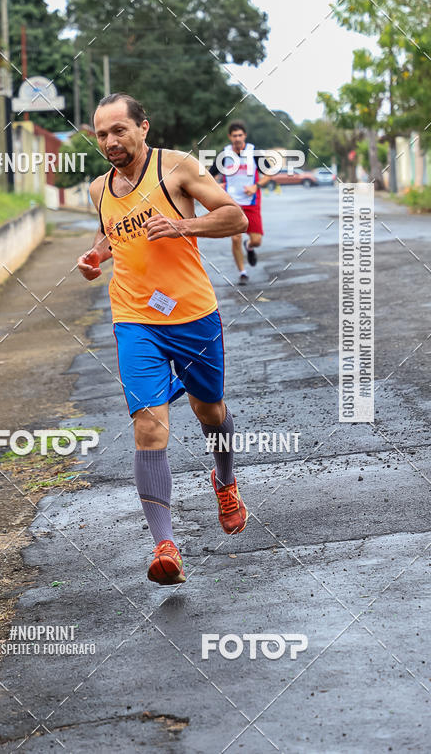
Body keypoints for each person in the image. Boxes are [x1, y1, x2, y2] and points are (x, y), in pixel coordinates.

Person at [77, 93, 249, 585]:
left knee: (209, 410)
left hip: (193, 315)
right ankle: (165, 546)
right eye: (102, 134)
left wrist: (181, 225)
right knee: (149, 428)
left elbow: (235, 217)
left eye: (119, 130)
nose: (110, 141)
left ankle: (225, 481)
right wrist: (95, 257)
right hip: (134, 319)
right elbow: (112, 235)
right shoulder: (98, 189)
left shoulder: (177, 168)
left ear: (143, 128)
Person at [211, 121, 270, 285]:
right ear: (230, 137)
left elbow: (268, 174)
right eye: (234, 135)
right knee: (235, 238)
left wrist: (256, 186)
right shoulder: (225, 154)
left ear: (245, 136)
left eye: (240, 135)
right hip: (232, 202)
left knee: (257, 240)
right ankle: (242, 273)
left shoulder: (254, 152)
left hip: (251, 201)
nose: (237, 138)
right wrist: (217, 185)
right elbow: (209, 176)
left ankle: (249, 246)